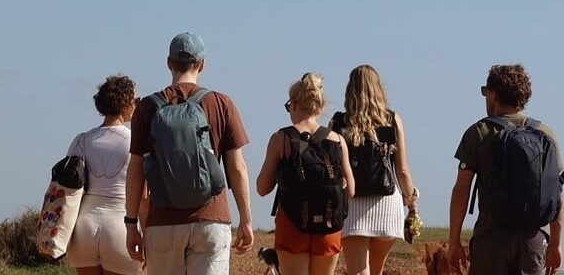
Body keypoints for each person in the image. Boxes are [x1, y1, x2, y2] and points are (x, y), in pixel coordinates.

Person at [125, 33, 256, 275]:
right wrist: (246, 219)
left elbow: (135, 171)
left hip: (163, 223)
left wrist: (131, 223)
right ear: (203, 64)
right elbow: (237, 167)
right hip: (211, 219)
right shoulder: (221, 103)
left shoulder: (146, 108)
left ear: (169, 63)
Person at [447, 64, 564, 275]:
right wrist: (556, 243)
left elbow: (461, 190)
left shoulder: (480, 132)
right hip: (534, 240)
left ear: (493, 94)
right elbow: (557, 196)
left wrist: (454, 240)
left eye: (486, 91)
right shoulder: (545, 134)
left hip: (491, 237)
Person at [257, 73, 354, 275]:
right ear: (320, 106)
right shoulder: (337, 140)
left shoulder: (281, 139)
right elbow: (351, 190)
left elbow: (262, 188)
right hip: (329, 225)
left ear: (293, 104)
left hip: (292, 224)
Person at [330, 65, 418, 275]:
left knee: (358, 270)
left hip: (352, 204)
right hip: (387, 204)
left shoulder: (338, 122)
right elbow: (403, 170)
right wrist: (413, 205)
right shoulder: (392, 119)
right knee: (376, 271)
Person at [67, 75, 147, 275]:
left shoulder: (81, 140)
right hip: (120, 228)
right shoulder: (138, 143)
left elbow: (66, 186)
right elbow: (145, 197)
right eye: (136, 100)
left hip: (83, 229)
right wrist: (146, 235)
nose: (138, 104)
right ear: (126, 103)